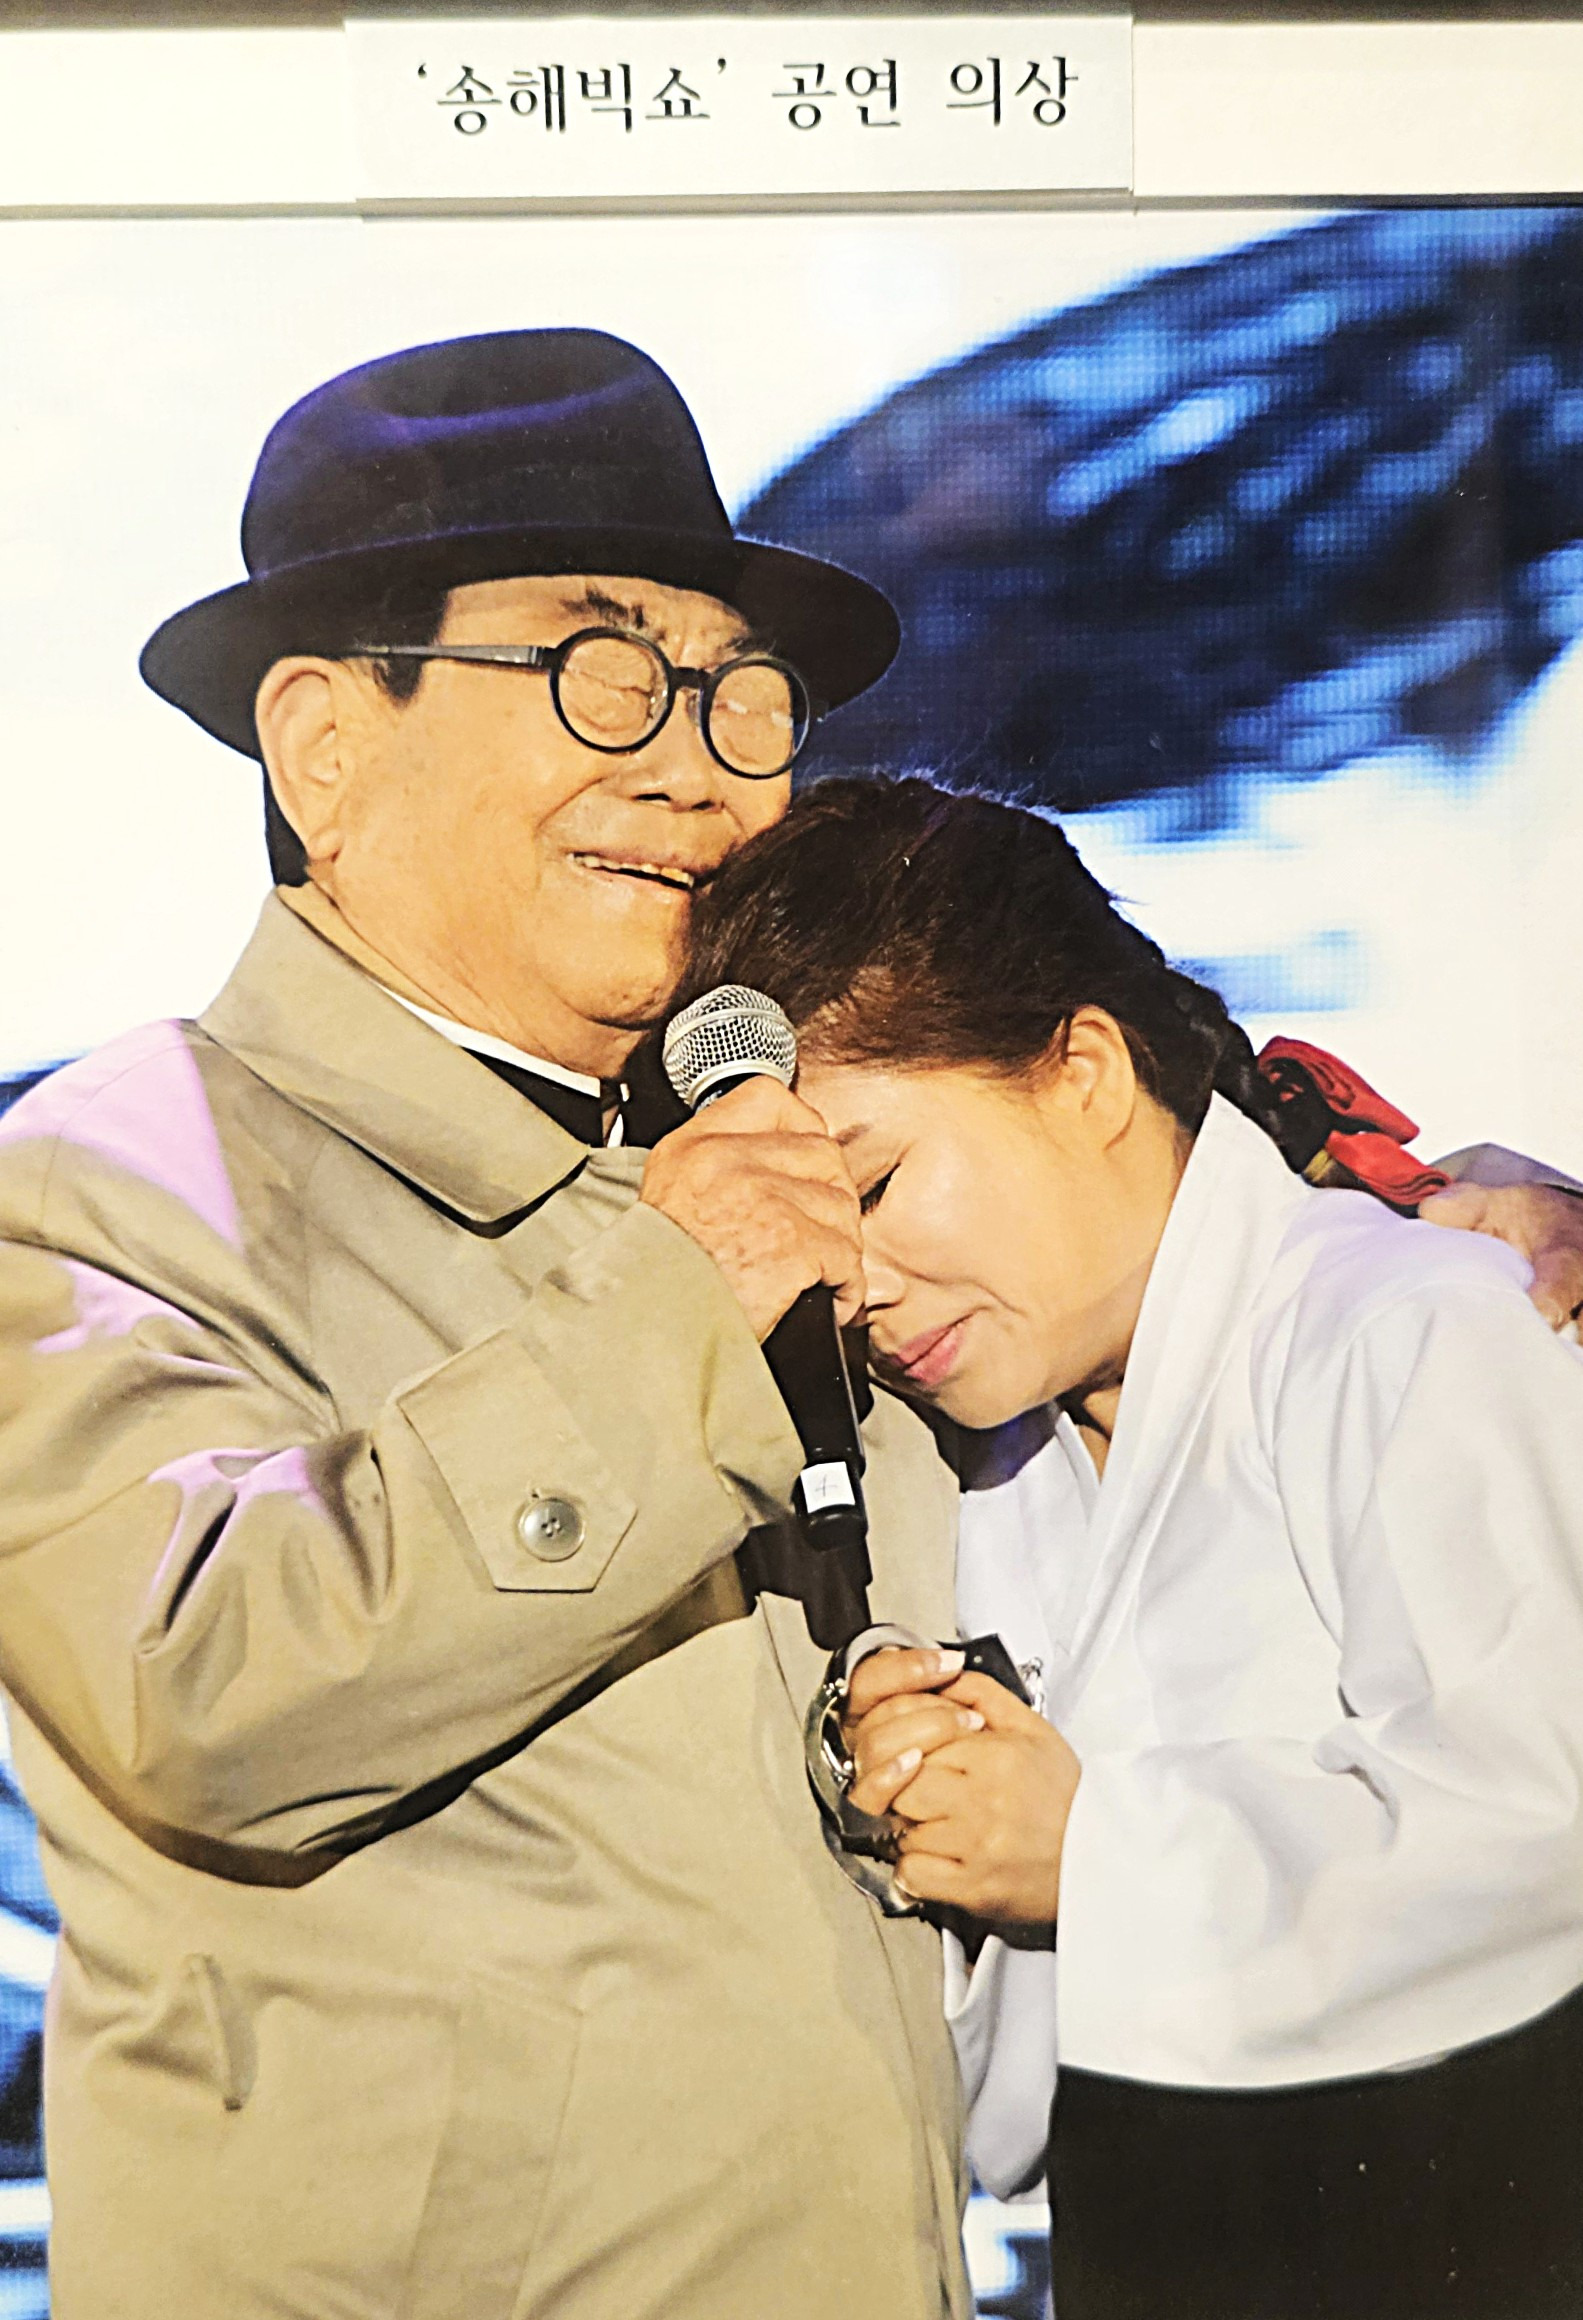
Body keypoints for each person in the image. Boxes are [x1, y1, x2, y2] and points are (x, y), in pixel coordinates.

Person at [0, 332, 973, 2318]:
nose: (695, 765)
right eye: (600, 668)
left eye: (738, 694)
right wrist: (676, 1318)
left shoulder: (744, 1147)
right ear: (321, 745)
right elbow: (206, 1682)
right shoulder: (100, 1177)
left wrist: (1403, 1229)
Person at [681, 773, 1583, 2320]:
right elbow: (1014, 2133)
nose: (858, 1287)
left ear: (1087, 1073)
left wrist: (1091, 1852)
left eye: (877, 1184)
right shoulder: (983, 1469)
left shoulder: (1407, 1325)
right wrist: (941, 1826)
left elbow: (1543, 1832)